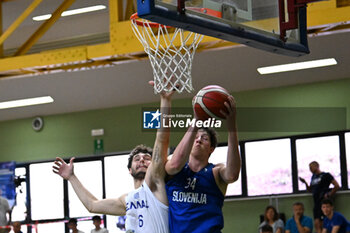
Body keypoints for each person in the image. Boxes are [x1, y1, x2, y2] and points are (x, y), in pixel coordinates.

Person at [53, 89, 173, 233]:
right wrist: (71, 177)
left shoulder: (156, 184)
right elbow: (92, 205)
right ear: (130, 170)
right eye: (137, 158)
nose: (142, 160)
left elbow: (161, 140)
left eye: (147, 158)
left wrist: (165, 101)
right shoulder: (126, 200)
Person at [165, 94, 241, 233]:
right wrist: (196, 121)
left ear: (211, 149)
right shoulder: (174, 166)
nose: (199, 140)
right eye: (196, 137)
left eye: (204, 138)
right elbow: (175, 164)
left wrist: (231, 127)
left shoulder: (216, 171)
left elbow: (232, 174)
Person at [299, 161, 340, 233]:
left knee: (323, 223)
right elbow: (310, 190)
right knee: (317, 224)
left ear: (317, 166)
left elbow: (336, 186)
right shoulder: (313, 177)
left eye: (311, 167)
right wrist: (305, 182)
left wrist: (329, 194)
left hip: (323, 202)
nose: (310, 169)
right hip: (316, 203)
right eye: (309, 168)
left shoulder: (326, 175)